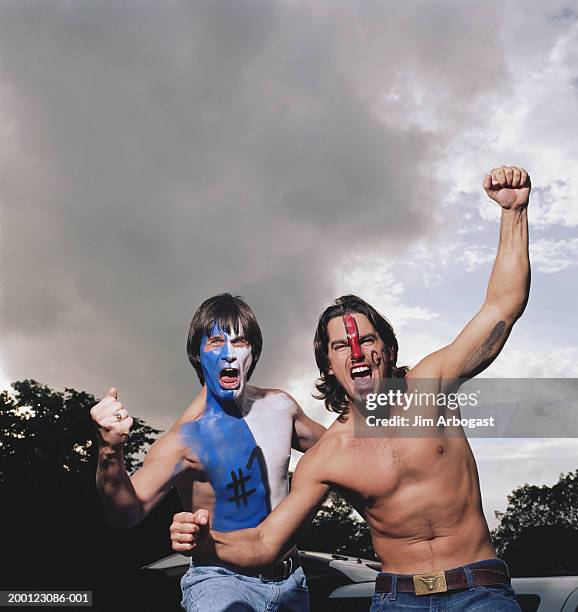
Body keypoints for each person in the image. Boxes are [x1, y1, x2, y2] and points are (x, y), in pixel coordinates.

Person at [170, 166, 531, 611]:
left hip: (481, 591)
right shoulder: (329, 456)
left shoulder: (431, 383)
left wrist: (513, 212)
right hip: (398, 599)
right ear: (330, 366)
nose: (356, 351)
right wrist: (207, 543)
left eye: (366, 340)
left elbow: (503, 304)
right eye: (342, 346)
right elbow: (265, 541)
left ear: (388, 348)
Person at [90, 293, 325, 612]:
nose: (229, 353)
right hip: (219, 581)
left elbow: (340, 450)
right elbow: (125, 513)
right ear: (198, 355)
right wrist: (109, 452)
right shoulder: (185, 439)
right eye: (216, 342)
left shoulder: (281, 407)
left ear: (252, 353)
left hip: (291, 583)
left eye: (240, 341)